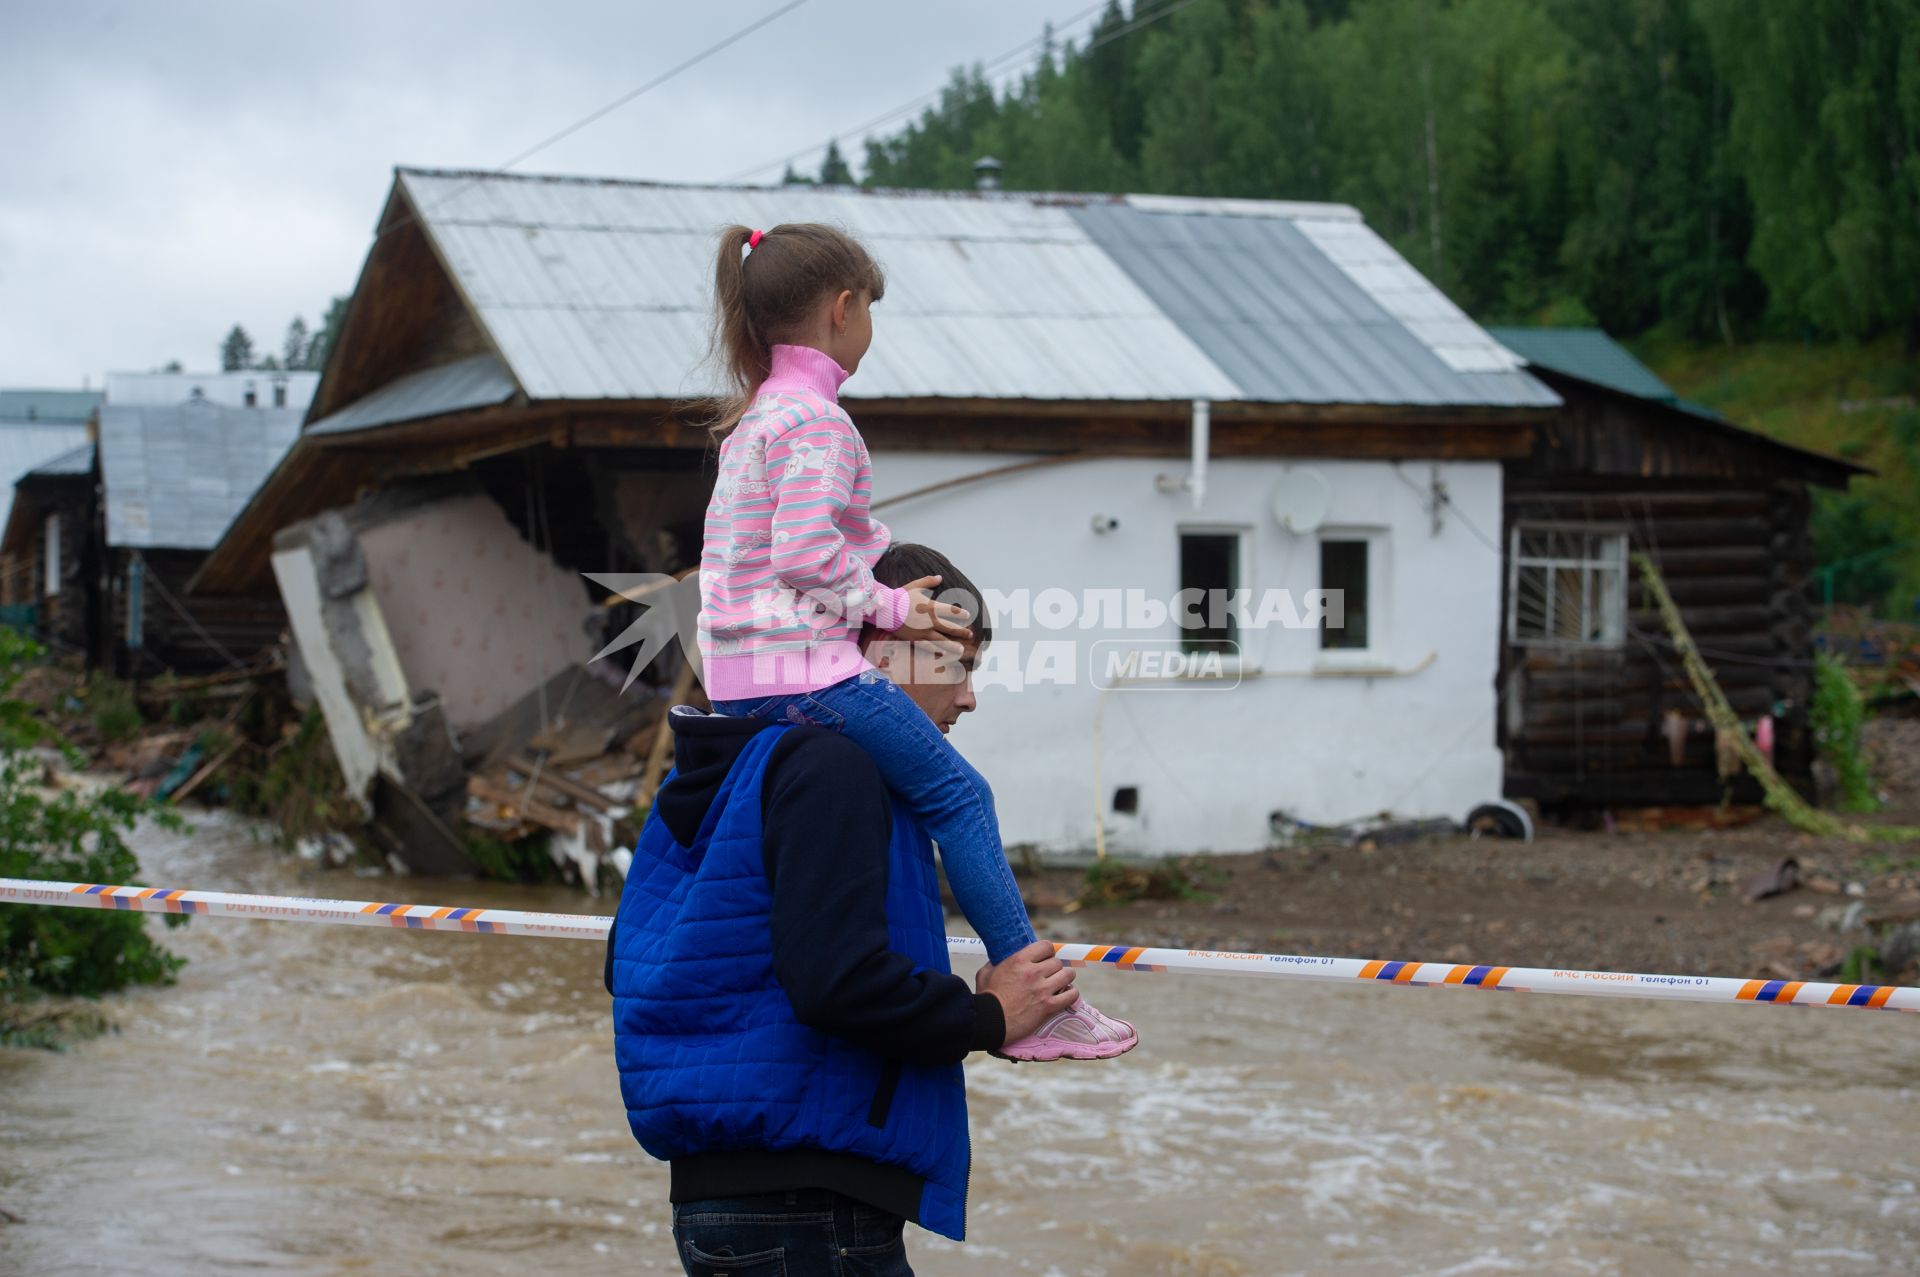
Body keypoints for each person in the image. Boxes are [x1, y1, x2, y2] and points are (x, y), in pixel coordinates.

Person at [695, 222, 1134, 1061]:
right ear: (843, 308)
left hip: (738, 677)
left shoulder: (756, 420)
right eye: (871, 312)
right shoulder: (820, 422)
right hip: (805, 666)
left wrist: (881, 591)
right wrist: (890, 610)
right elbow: (804, 557)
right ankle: (1039, 995)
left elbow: (787, 549)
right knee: (961, 798)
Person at [608, 543, 1085, 1274]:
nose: (968, 697)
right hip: (808, 1202)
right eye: (955, 663)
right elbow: (837, 980)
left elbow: (627, 963)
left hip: (736, 1193)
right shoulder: (834, 769)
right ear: (883, 644)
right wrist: (989, 1016)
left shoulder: (727, 764)